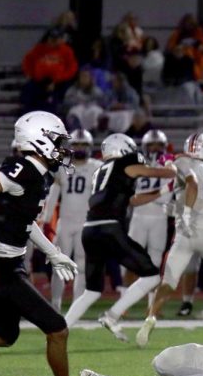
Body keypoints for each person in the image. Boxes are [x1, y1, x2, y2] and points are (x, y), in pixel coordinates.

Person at [0, 112, 105, 376]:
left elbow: (25, 222)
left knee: (3, 336)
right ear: (40, 140)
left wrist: (52, 251)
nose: (63, 149)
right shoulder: (22, 169)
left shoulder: (39, 174)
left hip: (9, 264)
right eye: (58, 142)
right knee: (57, 329)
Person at [61, 133, 179, 337]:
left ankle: (59, 330)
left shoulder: (100, 170)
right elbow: (166, 173)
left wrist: (160, 193)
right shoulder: (125, 163)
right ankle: (112, 315)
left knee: (92, 291)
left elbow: (132, 200)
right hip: (109, 229)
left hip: (90, 229)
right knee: (151, 276)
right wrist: (169, 165)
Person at [136, 133, 203, 347]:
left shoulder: (183, 164)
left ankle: (150, 318)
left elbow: (179, 192)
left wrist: (176, 209)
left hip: (185, 233)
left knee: (168, 282)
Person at [40, 129, 101, 311]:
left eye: (84, 144)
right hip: (65, 223)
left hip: (85, 223)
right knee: (59, 265)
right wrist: (46, 220)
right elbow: (53, 196)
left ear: (90, 147)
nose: (80, 148)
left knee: (82, 266)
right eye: (77, 144)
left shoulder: (96, 166)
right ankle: (56, 305)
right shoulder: (62, 166)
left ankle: (76, 307)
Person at [126, 130, 173, 280]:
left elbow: (167, 196)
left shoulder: (170, 165)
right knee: (132, 259)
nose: (155, 148)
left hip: (159, 217)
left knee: (155, 261)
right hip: (139, 216)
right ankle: (125, 297)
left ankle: (151, 302)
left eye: (159, 145)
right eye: (151, 145)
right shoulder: (136, 164)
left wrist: (143, 197)